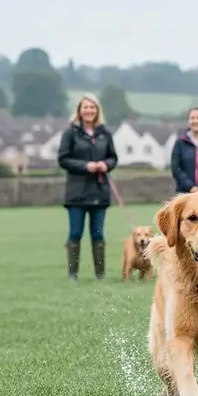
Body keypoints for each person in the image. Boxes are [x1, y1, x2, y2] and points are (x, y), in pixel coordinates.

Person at [57, 93, 118, 281]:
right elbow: (63, 159)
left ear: (97, 110)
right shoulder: (70, 133)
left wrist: (105, 165)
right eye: (85, 107)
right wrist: (86, 166)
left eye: (92, 107)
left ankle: (100, 275)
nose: (89, 110)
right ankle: (72, 275)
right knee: (75, 233)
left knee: (98, 234)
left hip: (100, 192)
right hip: (77, 192)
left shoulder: (105, 133)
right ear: (79, 111)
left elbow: (113, 157)